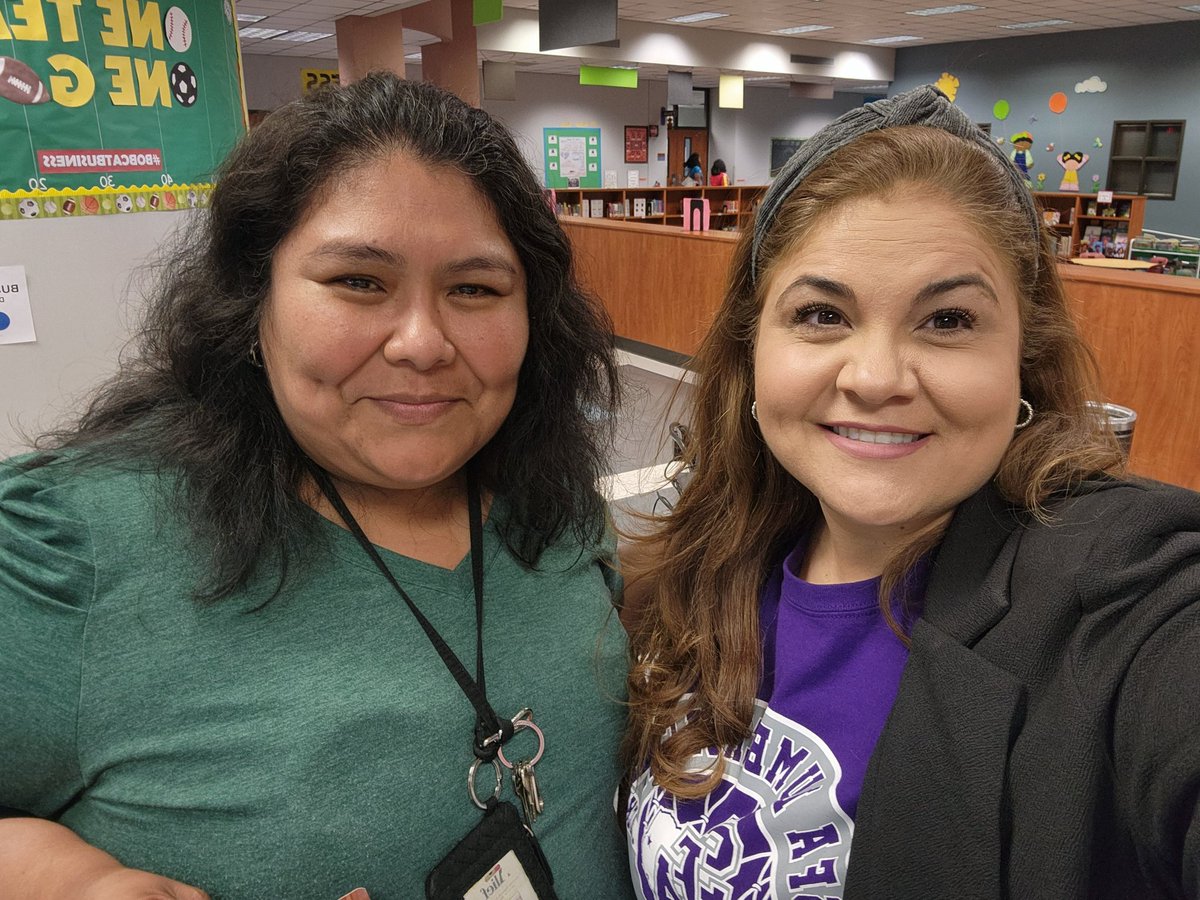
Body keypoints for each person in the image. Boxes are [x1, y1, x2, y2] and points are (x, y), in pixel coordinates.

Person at [0, 73, 635, 899]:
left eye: (475, 289)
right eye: (359, 282)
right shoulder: (74, 548)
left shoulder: (554, 502)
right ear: (250, 301)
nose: (422, 343)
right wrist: (74, 883)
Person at [620, 85, 1200, 898]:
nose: (876, 378)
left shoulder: (1115, 596)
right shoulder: (703, 561)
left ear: (1022, 358)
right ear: (754, 351)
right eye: (822, 314)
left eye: (949, 321)